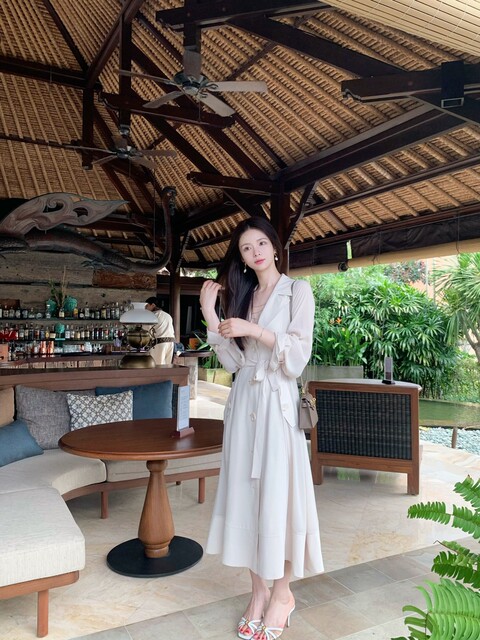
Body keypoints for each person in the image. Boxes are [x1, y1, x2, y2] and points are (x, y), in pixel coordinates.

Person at [200, 218, 323, 640]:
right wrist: (210, 314)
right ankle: (258, 593)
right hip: (244, 405)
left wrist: (254, 329)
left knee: (278, 497)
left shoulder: (297, 291)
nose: (255, 252)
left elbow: (298, 356)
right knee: (245, 496)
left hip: (277, 405)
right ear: (241, 257)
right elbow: (234, 362)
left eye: (261, 243)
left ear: (273, 246)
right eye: (246, 248)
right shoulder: (244, 296)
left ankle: (282, 594)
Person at [144, 296, 175, 365]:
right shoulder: (168, 315)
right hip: (171, 343)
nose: (145, 308)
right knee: (167, 366)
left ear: (153, 305)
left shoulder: (152, 315)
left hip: (160, 343)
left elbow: (145, 331)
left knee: (158, 366)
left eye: (147, 306)